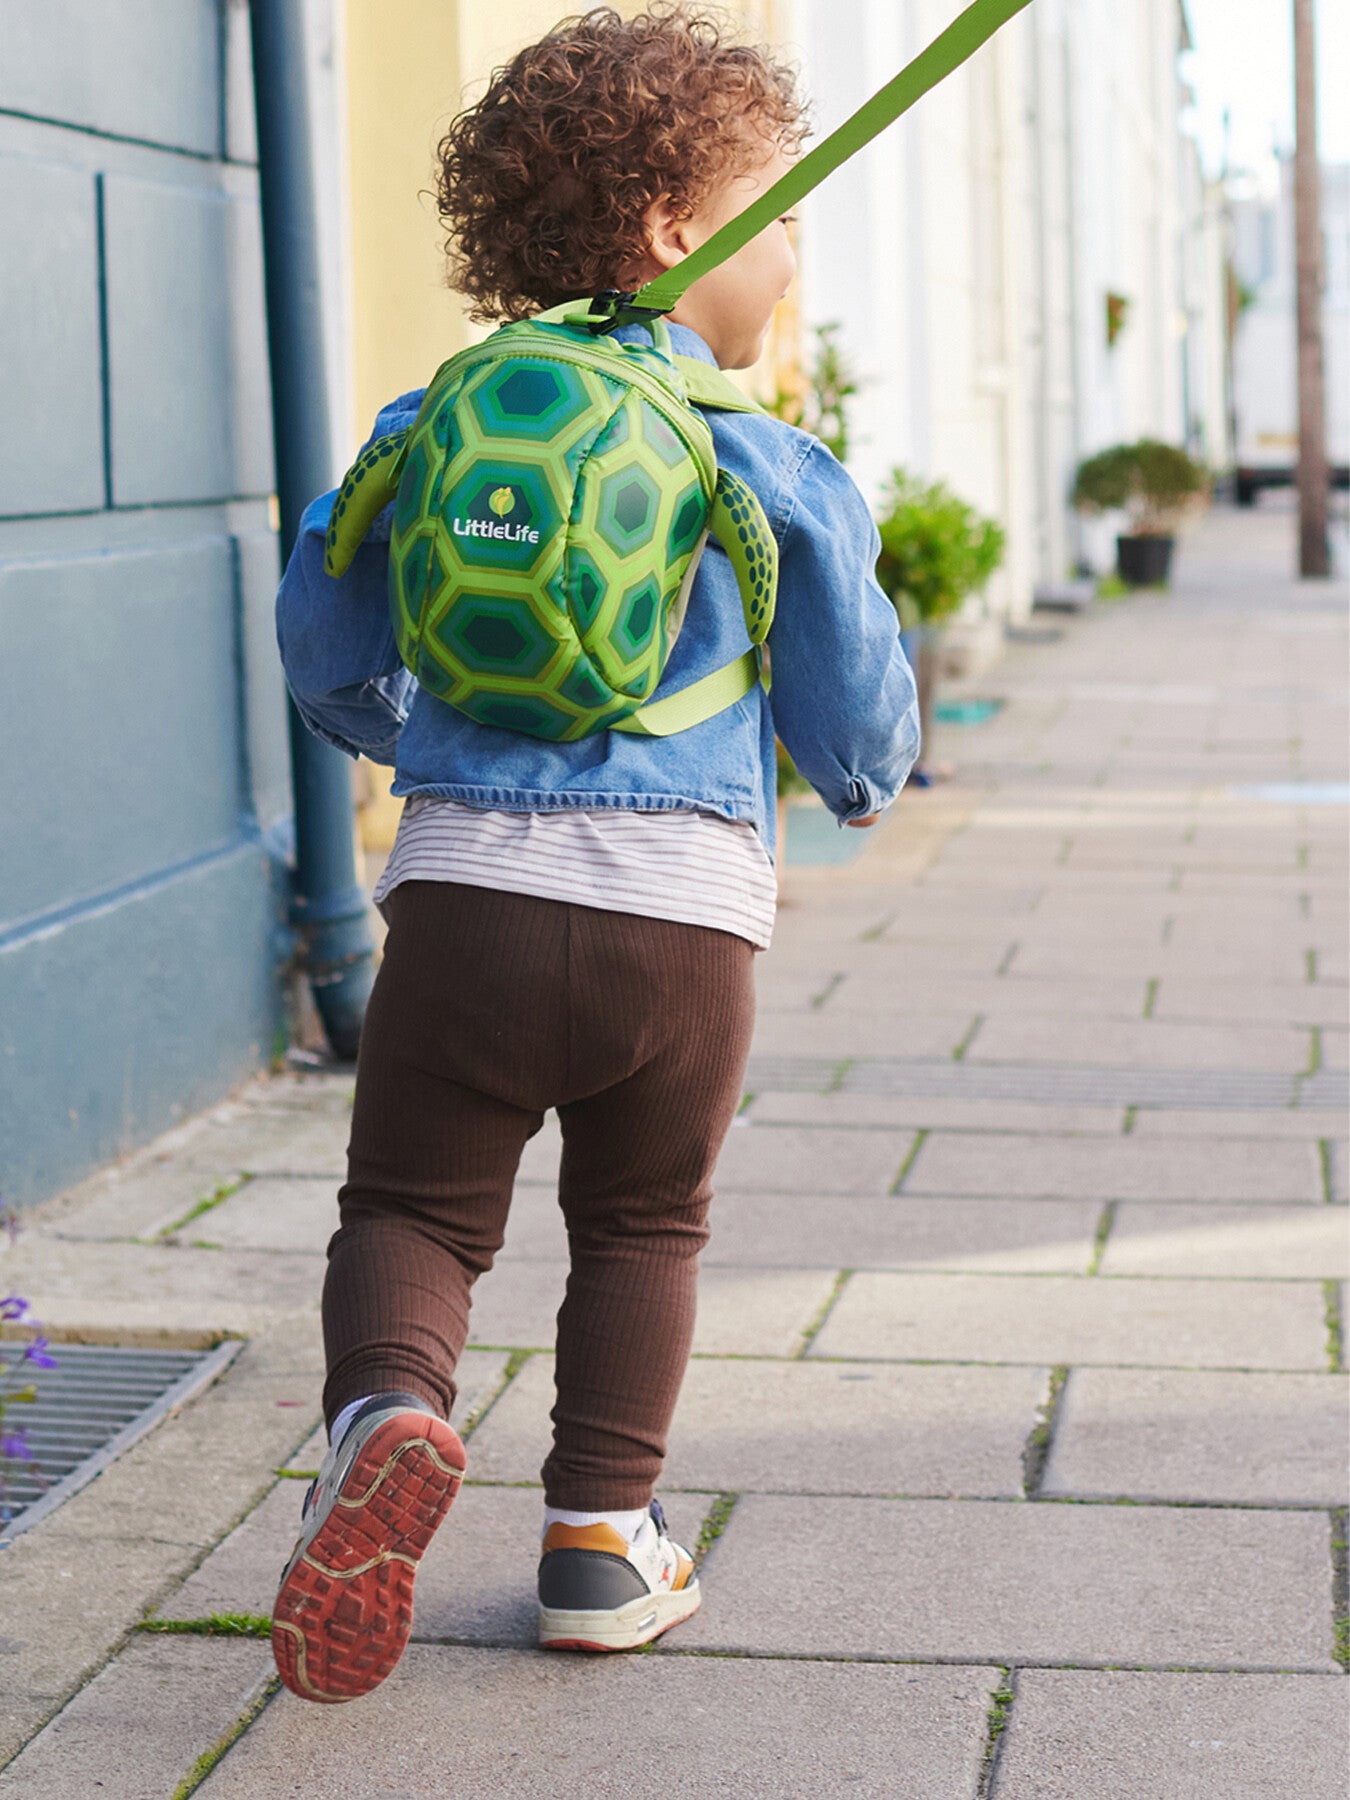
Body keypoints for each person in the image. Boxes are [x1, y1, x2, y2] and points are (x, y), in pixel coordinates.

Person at [271, 3, 919, 1704]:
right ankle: (596, 1544)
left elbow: (322, 644)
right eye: (777, 210)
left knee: (412, 1203)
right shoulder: (763, 458)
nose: (790, 248)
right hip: (682, 923)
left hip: (466, 899)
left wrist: (411, 748)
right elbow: (854, 715)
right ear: (670, 233)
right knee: (642, 1228)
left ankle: (389, 1413)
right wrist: (858, 788)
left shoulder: (438, 419)